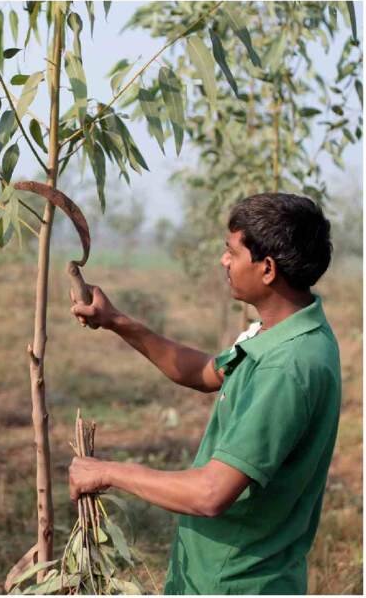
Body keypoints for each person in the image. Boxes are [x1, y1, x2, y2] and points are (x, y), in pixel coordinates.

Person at [68, 193, 341, 595]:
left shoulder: (288, 367)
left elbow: (211, 494)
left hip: (236, 581)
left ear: (267, 269)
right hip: (218, 570)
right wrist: (116, 321)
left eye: (231, 251)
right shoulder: (284, 332)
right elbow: (205, 372)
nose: (223, 261)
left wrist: (107, 472)